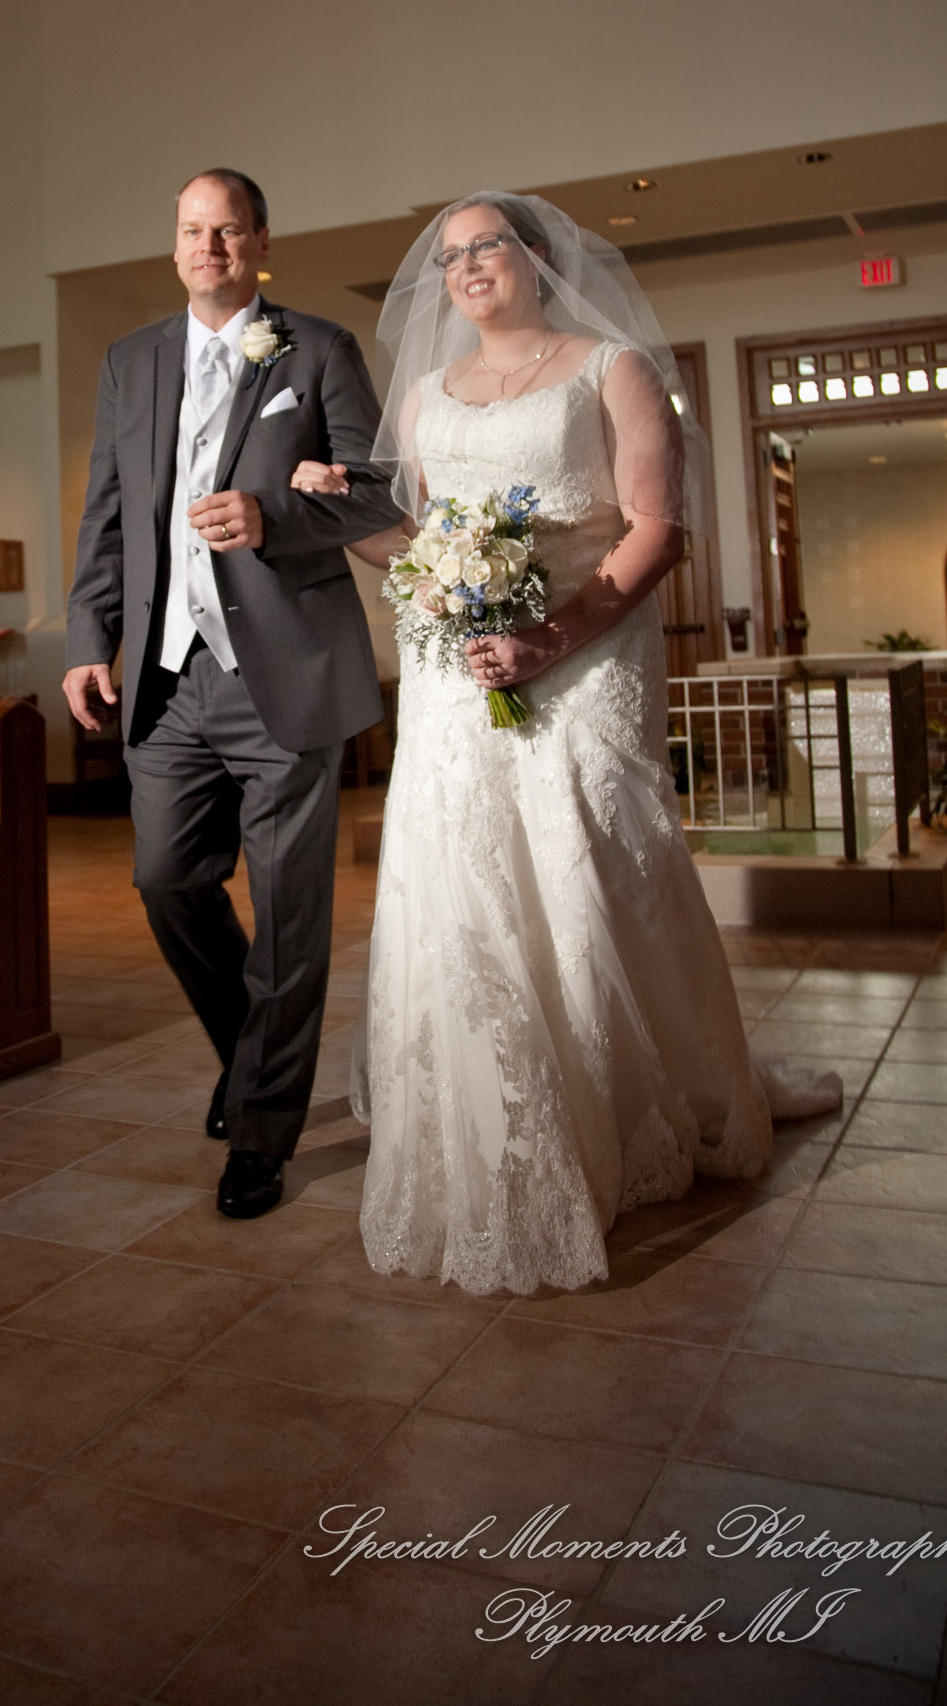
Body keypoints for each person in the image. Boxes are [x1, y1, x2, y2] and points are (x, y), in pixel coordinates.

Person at [293, 192, 838, 1296]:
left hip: (589, 656)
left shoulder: (613, 367)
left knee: (596, 863)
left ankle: (642, 1098)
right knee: (465, 876)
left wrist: (552, 633)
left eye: (485, 245)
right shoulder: (427, 398)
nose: (466, 267)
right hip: (461, 675)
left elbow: (656, 528)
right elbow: (417, 538)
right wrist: (342, 506)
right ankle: (494, 1115)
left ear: (535, 257)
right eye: (449, 257)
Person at [64, 169, 399, 1219]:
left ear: (259, 242)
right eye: (190, 231)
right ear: (175, 247)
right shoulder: (132, 360)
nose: (208, 246)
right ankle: (252, 1051)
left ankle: (261, 1130)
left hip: (285, 673)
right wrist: (90, 634)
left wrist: (271, 515)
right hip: (169, 678)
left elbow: (381, 490)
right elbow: (107, 512)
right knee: (167, 880)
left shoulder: (318, 346)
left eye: (228, 230)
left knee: (292, 915)